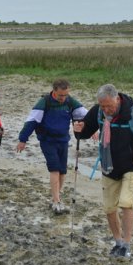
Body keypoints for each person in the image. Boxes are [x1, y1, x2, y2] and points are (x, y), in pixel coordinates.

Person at [73, 83, 133, 259]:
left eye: (109, 106)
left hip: (132, 164)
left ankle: (126, 244)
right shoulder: (98, 111)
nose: (106, 110)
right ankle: (117, 242)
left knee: (126, 202)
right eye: (103, 106)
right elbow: (85, 131)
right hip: (109, 165)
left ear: (117, 99)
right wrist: (78, 130)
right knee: (109, 208)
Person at [16, 79, 87, 214]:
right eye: (61, 95)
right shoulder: (44, 102)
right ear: (54, 91)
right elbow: (31, 121)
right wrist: (22, 139)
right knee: (54, 169)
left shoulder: (70, 101)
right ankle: (56, 202)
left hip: (63, 140)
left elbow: (84, 115)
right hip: (47, 141)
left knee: (62, 171)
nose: (63, 98)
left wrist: (92, 129)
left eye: (66, 95)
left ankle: (57, 197)